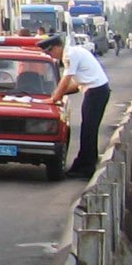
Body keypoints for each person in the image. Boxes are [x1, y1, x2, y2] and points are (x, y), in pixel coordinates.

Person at [43, 33, 110, 180]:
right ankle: (84, 164)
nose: (51, 55)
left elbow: (66, 80)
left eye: (50, 51)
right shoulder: (74, 52)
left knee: (88, 130)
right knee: (88, 130)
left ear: (57, 47)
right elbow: (77, 84)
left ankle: (86, 167)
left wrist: (54, 98)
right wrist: (55, 93)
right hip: (96, 90)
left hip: (95, 92)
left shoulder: (69, 56)